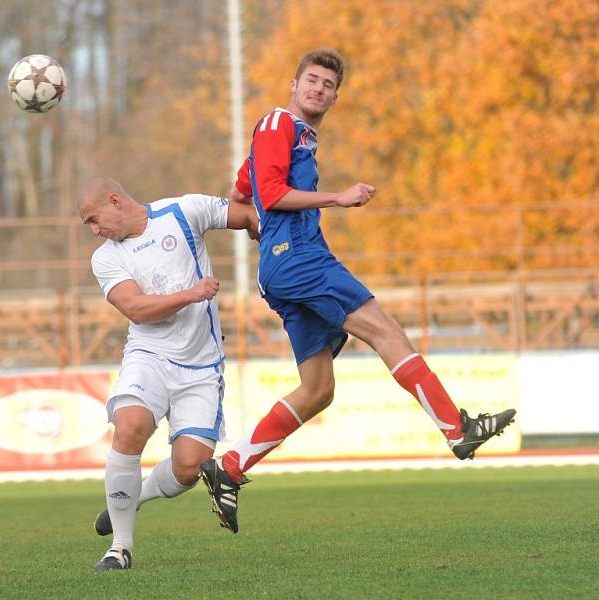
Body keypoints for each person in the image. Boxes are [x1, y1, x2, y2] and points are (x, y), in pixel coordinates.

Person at [198, 48, 517, 534]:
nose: (318, 89)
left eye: (327, 85)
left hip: (283, 269)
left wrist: (257, 224)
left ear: (335, 97)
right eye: (311, 80)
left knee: (318, 389)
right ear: (293, 83)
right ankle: (458, 428)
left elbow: (244, 190)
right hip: (302, 261)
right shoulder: (277, 124)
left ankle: (230, 468)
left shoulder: (295, 136)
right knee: (387, 332)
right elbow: (272, 192)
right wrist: (337, 198)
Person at [79, 177, 258, 570]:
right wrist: (191, 294)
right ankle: (120, 548)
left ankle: (133, 498)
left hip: (202, 365)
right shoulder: (106, 257)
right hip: (150, 355)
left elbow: (245, 213)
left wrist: (268, 238)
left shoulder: (182, 210)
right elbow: (137, 308)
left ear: (115, 200)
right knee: (129, 426)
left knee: (189, 467)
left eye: (94, 219)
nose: (94, 231)